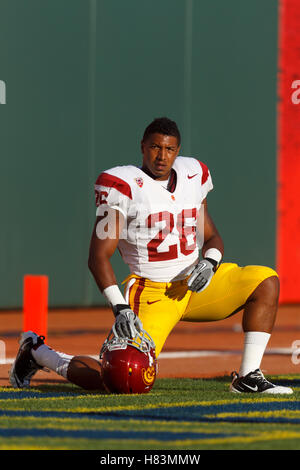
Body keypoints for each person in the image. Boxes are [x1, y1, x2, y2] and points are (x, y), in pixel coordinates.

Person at [9, 117, 293, 394]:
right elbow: (98, 257)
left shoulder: (193, 175)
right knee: (123, 378)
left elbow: (211, 236)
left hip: (195, 285)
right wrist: (119, 307)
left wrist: (211, 261)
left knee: (265, 281)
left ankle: (248, 377)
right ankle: (39, 353)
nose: (162, 156)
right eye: (155, 147)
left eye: (169, 149)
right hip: (153, 293)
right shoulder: (122, 185)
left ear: (178, 151)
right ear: (143, 146)